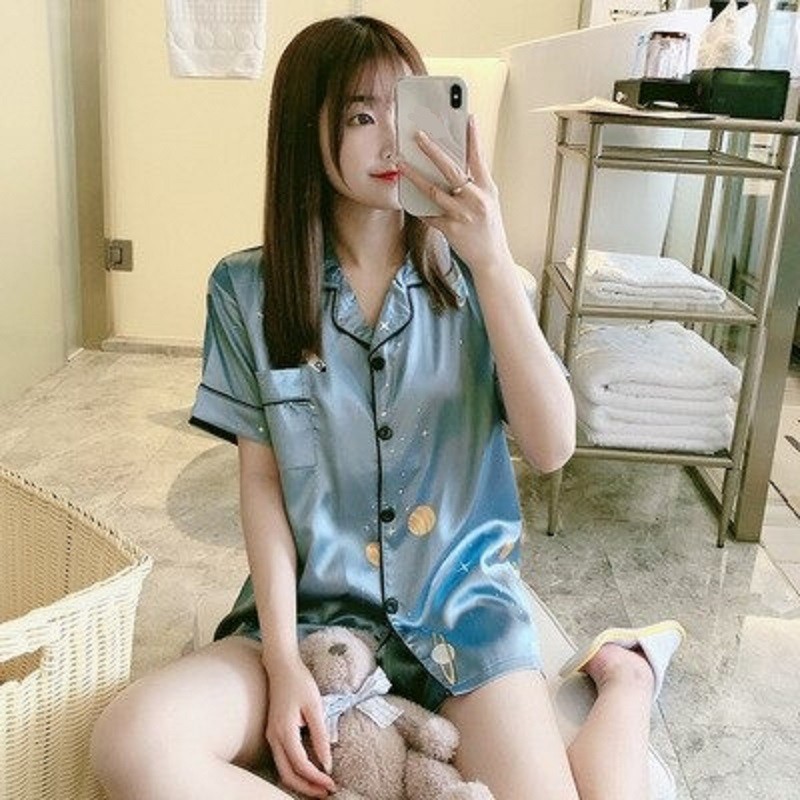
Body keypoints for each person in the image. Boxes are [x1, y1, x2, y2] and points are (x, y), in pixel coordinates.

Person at [91, 15, 683, 800]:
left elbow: (552, 448)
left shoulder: (479, 280)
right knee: (132, 742)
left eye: (405, 109)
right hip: (314, 617)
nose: (390, 138)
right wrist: (280, 660)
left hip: (464, 616)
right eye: (360, 115)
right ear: (306, 131)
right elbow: (262, 485)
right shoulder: (246, 291)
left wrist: (492, 258)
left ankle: (627, 674)